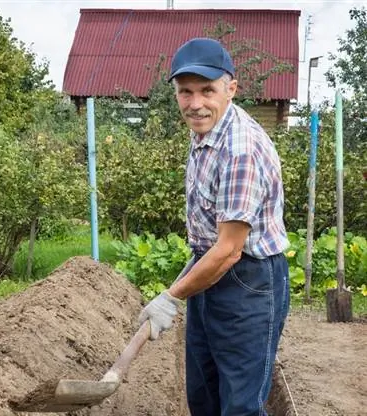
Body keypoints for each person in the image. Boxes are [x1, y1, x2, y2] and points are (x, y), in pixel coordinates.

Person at [138, 38, 290, 416]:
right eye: (185, 92)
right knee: (204, 395)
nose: (195, 103)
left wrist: (170, 297)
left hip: (248, 282)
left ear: (231, 88)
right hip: (210, 270)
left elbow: (229, 249)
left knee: (240, 405)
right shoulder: (206, 131)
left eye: (207, 90)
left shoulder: (241, 149)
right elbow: (211, 239)